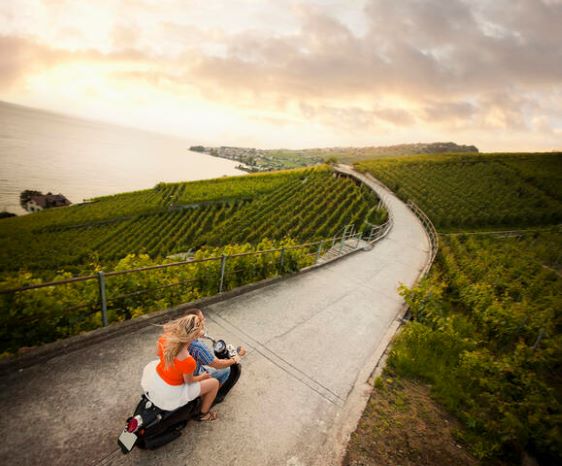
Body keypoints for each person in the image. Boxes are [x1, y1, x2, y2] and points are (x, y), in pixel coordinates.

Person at [141, 314, 220, 421]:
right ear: (194, 336)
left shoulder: (164, 338)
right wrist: (203, 376)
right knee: (214, 383)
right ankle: (203, 414)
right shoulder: (188, 360)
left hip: (158, 377)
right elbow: (189, 381)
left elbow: (158, 354)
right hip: (172, 390)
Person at [185, 308, 246, 402]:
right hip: (194, 376)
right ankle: (211, 396)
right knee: (226, 370)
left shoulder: (181, 334)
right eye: (201, 320)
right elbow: (218, 364)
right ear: (196, 325)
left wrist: (198, 333)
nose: (204, 322)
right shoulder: (198, 347)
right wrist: (236, 357)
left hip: (183, 373)